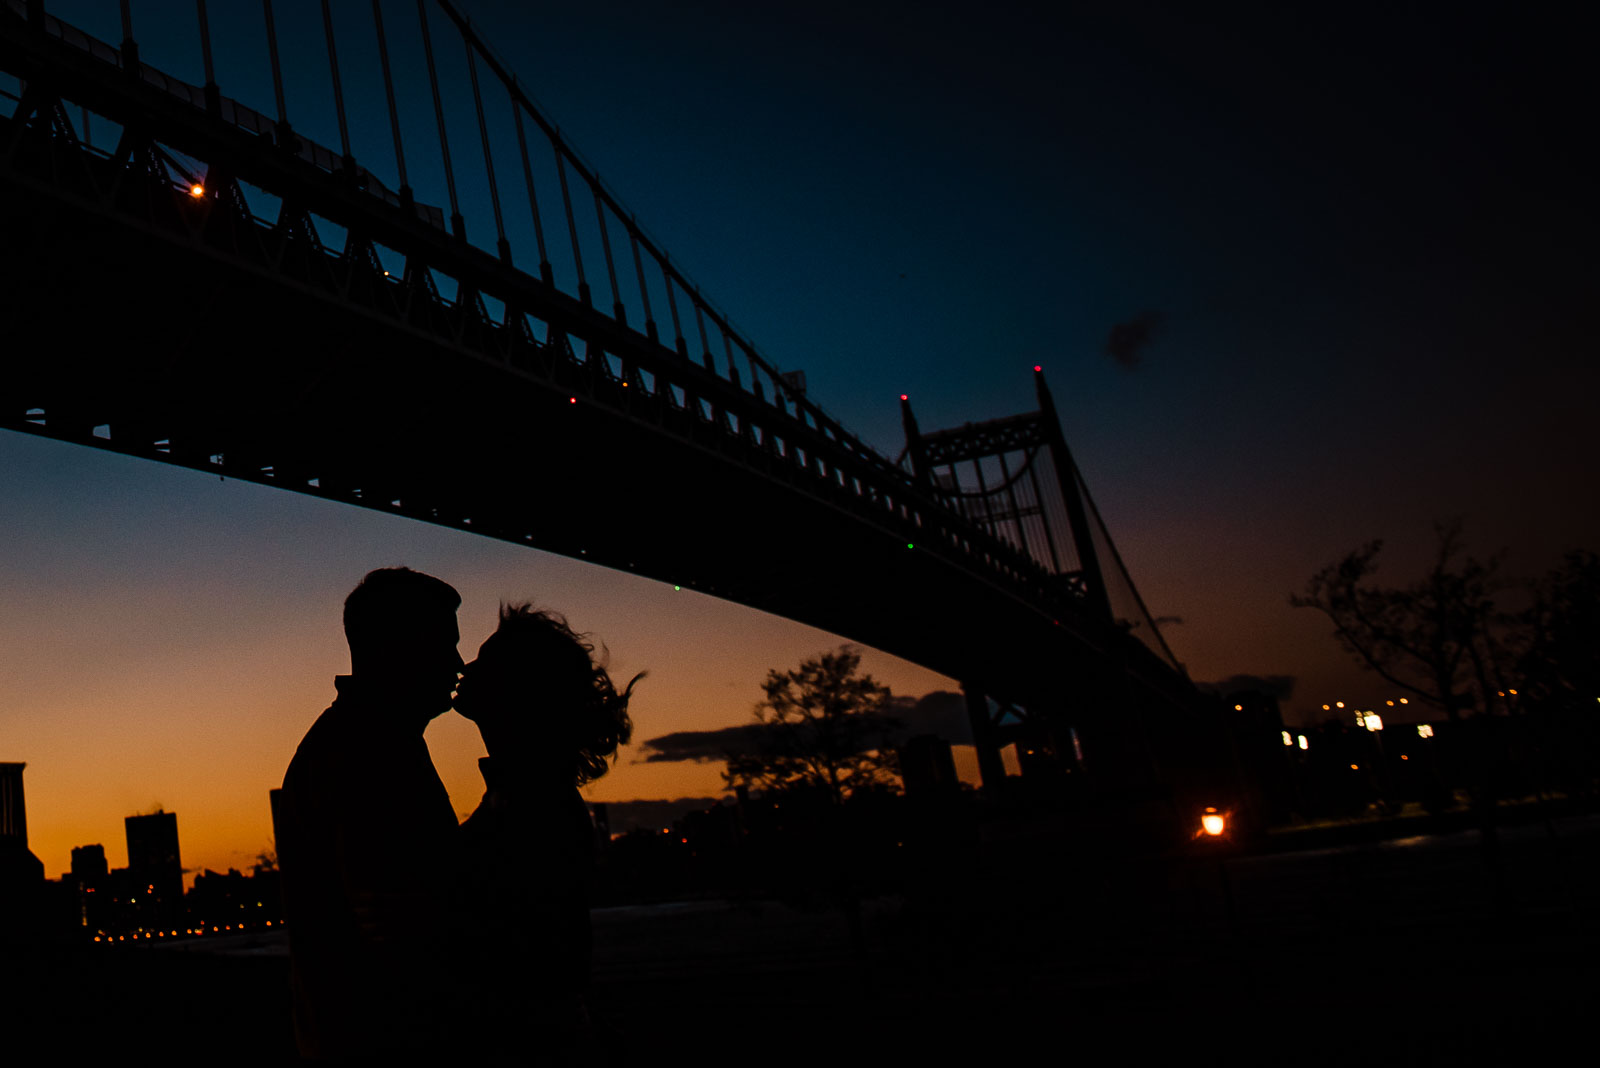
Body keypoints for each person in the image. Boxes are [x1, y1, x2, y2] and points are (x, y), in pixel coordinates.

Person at [278, 567, 466, 1061]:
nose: (459, 664)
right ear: (396, 648)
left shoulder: (362, 741)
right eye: (445, 645)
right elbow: (405, 934)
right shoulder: (369, 753)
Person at [451, 603, 643, 1064]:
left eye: (486, 660)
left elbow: (528, 964)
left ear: (520, 689)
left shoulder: (534, 803)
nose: (465, 667)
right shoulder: (526, 791)